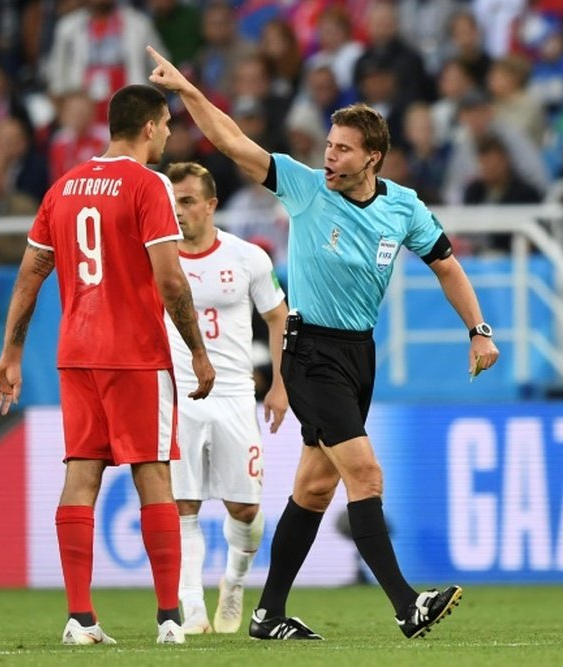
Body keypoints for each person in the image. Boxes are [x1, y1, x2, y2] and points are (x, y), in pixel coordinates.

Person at [148, 46, 499, 641]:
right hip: (309, 353)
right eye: (329, 146)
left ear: (373, 159)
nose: (329, 157)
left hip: (360, 353)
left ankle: (267, 614)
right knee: (365, 473)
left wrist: (478, 329)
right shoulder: (307, 189)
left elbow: (445, 265)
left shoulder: (404, 207)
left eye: (342, 149)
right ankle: (406, 605)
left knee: (315, 485)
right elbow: (234, 143)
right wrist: (188, 91)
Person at [0, 84, 215, 647]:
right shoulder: (148, 184)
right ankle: (168, 620)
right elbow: (169, 277)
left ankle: (80, 619)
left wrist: (11, 351)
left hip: (76, 353)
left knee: (80, 475)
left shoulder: (62, 188)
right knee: (154, 474)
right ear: (152, 126)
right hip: (134, 354)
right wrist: (198, 351)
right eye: (165, 126)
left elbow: (31, 274)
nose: (166, 136)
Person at [163, 162, 289, 635]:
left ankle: (233, 584)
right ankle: (191, 603)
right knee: (184, 504)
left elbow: (278, 317)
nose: (179, 211)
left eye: (189, 201)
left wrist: (280, 384)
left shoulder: (247, 257)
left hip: (236, 395)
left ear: (212, 205)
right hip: (180, 396)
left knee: (245, 509)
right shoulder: (157, 259)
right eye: (173, 202)